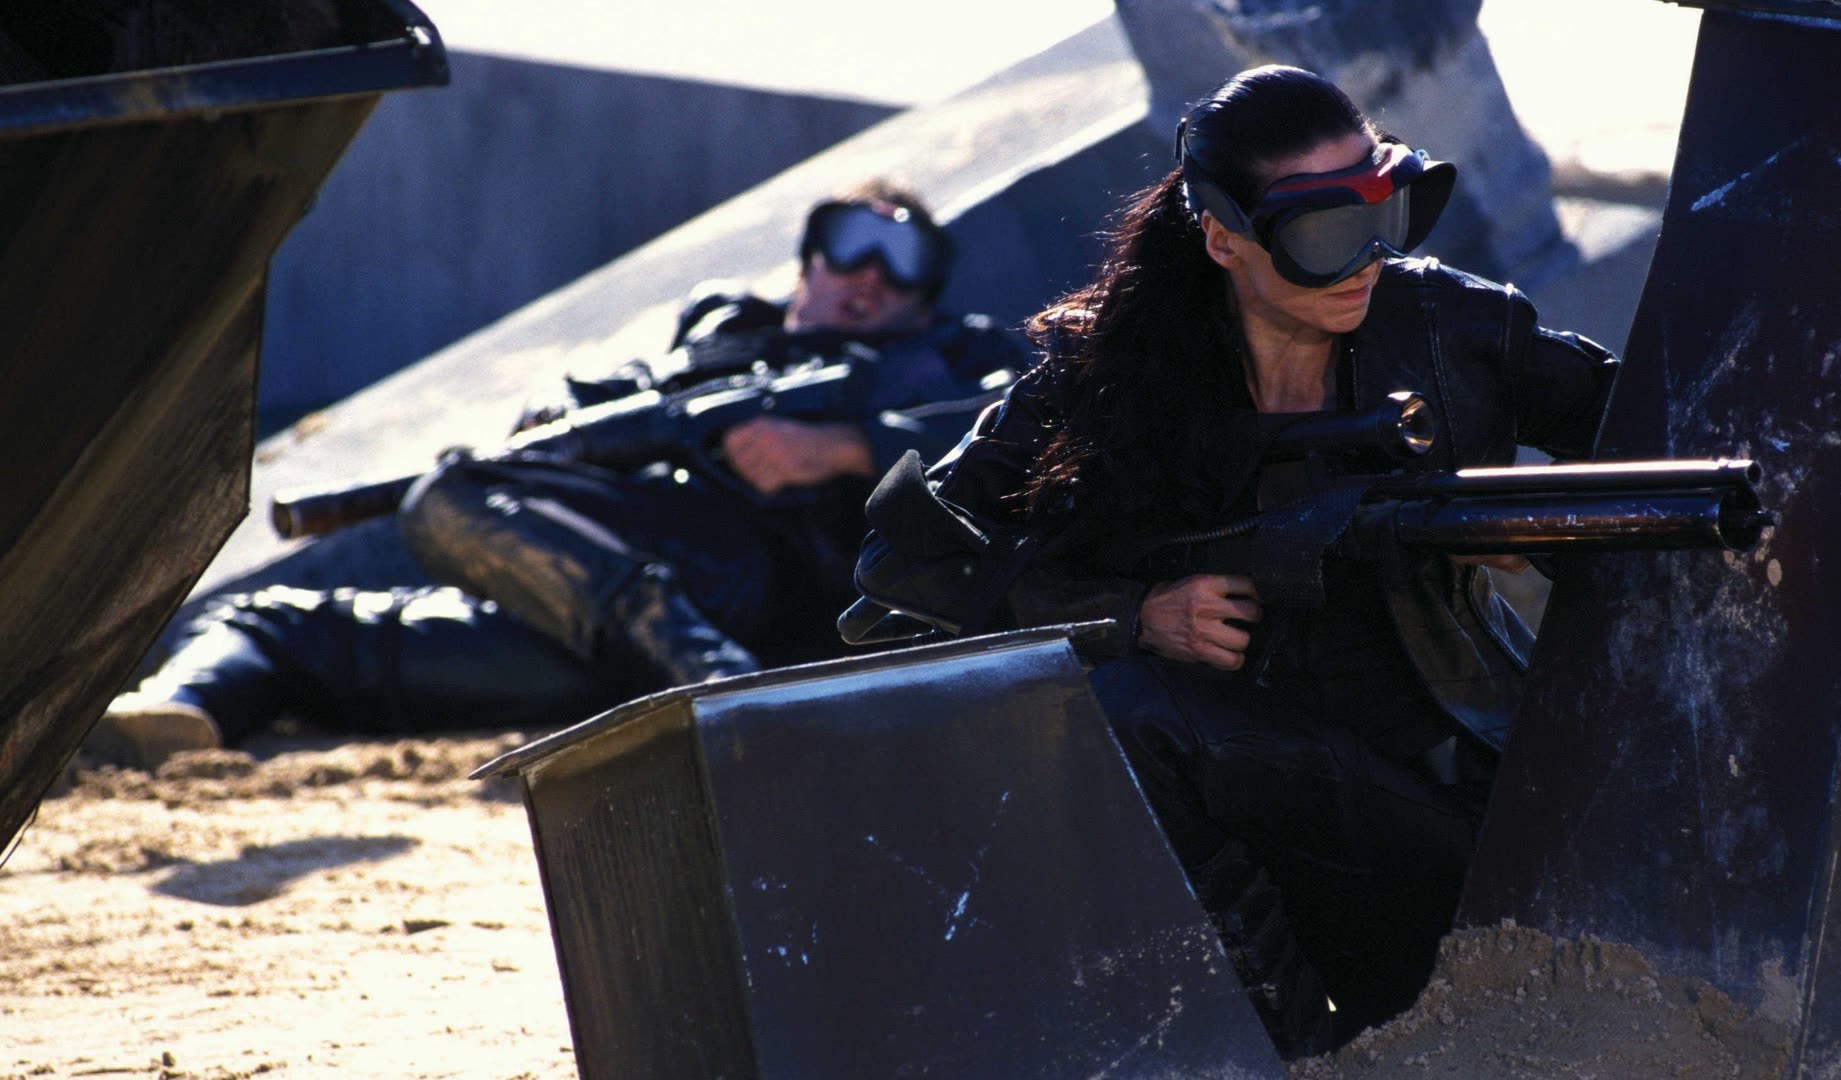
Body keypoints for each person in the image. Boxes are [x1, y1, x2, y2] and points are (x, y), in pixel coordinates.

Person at [851, 68, 1617, 1056]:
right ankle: (1287, 1055)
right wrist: (1132, 613)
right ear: (1224, 237)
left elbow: (1658, 419)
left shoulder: (1450, 327)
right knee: (1129, 711)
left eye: (1390, 207)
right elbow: (902, 556)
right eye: (1326, 231)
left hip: (1459, 816)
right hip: (1252, 842)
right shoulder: (1103, 367)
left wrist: (1529, 536)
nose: (1367, 258)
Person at [88, 179, 1029, 770]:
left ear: (927, 294)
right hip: (604, 615)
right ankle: (182, 713)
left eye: (904, 260)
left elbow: (1013, 436)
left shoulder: (953, 357)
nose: (870, 276)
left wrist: (851, 448)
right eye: (850, 244)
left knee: (446, 496)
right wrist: (555, 420)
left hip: (751, 588)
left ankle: (715, 680)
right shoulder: (714, 342)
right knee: (274, 621)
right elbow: (598, 401)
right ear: (806, 264)